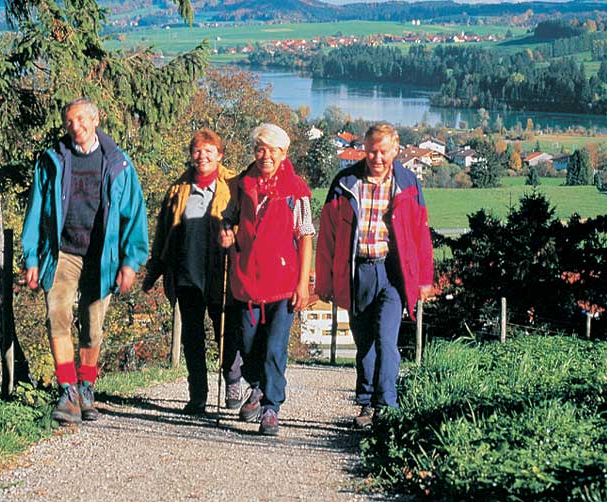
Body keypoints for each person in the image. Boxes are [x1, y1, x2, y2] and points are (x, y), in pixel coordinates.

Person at [22, 98, 148, 423]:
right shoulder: (53, 161)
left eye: (80, 120)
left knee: (93, 326)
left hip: (100, 255)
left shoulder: (118, 164)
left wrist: (130, 262)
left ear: (95, 121)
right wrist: (32, 257)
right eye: (69, 122)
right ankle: (68, 390)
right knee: (57, 314)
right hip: (63, 252)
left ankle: (86, 387)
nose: (74, 127)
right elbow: (35, 211)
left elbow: (134, 216)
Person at [316, 122, 434, 429]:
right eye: (371, 151)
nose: (377, 158)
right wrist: (325, 281)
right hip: (357, 272)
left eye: (383, 152)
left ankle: (387, 404)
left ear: (396, 149)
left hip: (393, 272)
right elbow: (327, 236)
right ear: (364, 150)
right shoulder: (345, 182)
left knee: (386, 340)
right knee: (365, 342)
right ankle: (366, 404)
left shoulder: (408, 183)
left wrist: (424, 279)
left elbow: (421, 233)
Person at [219, 123, 314, 436]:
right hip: (247, 281)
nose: (266, 156)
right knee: (247, 344)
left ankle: (271, 407)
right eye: (260, 149)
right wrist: (227, 232)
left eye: (273, 150)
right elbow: (229, 217)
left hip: (283, 283)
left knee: (275, 347)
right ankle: (257, 387)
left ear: (284, 154)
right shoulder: (243, 184)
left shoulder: (295, 190)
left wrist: (303, 284)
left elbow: (305, 237)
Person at [143, 128, 242, 415]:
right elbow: (164, 232)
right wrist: (154, 269)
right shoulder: (178, 189)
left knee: (227, 331)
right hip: (187, 274)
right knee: (192, 337)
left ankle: (233, 380)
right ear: (191, 155)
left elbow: (245, 224)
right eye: (198, 151)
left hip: (221, 274)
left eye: (209, 151)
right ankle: (197, 394)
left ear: (220, 155)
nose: (203, 157)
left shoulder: (234, 185)